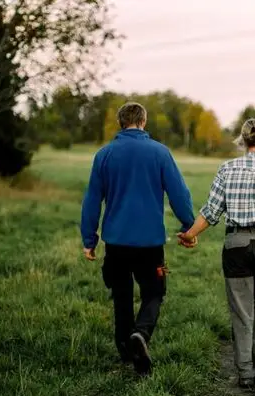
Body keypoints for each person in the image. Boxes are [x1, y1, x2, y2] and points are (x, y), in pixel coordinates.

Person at [177, 118, 255, 388]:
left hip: (237, 246)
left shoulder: (227, 169)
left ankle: (246, 372)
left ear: (242, 141)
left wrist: (189, 235)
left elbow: (210, 213)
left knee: (242, 310)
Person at [80, 102, 195, 377]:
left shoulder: (104, 155)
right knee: (155, 291)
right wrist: (189, 226)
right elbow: (179, 193)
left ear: (121, 123)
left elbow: (92, 200)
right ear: (143, 122)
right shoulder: (160, 152)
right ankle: (141, 334)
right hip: (150, 245)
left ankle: (125, 347)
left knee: (121, 294)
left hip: (116, 243)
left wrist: (89, 239)